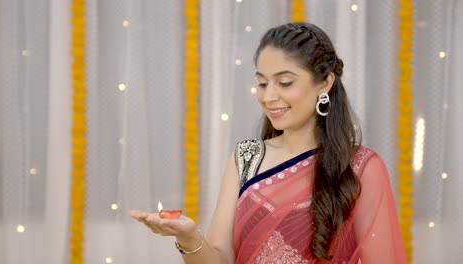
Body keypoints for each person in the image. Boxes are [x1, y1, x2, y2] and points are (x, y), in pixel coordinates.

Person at [130, 22, 407, 263]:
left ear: (324, 82)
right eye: (262, 83)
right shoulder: (246, 158)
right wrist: (189, 237)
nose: (269, 96)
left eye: (284, 83)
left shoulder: (360, 167)